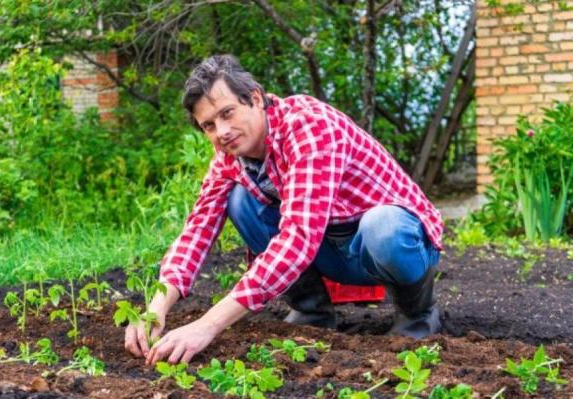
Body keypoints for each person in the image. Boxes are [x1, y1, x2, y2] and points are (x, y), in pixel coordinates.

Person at [125, 54, 444, 366]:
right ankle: (312, 311)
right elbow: (197, 230)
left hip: (388, 245)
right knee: (239, 200)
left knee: (383, 225)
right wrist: (156, 307)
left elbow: (299, 238)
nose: (221, 131)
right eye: (208, 125)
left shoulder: (308, 128)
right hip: (329, 249)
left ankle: (417, 314)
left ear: (255, 99)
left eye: (227, 113)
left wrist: (207, 325)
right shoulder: (230, 156)